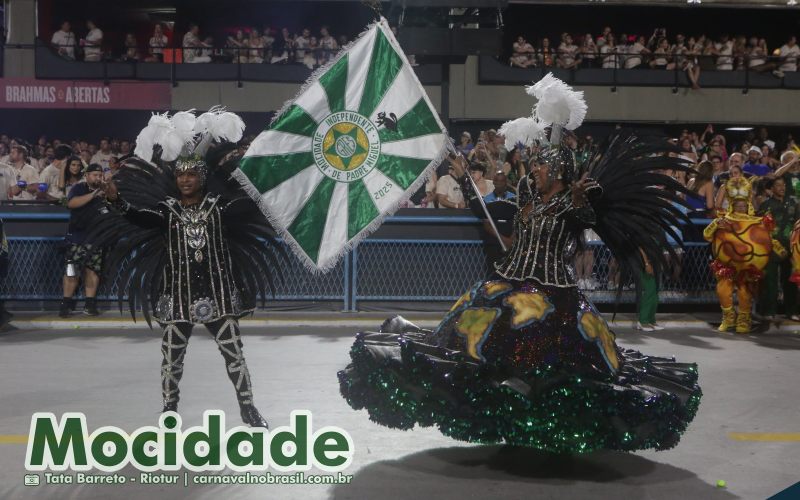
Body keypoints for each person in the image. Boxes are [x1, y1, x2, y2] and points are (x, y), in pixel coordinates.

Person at [338, 75, 701, 453]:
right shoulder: (529, 194)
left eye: (542, 166)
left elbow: (586, 216)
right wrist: (466, 184)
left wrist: (578, 198)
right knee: (469, 348)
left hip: (553, 296)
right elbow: (504, 229)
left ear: (559, 171)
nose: (534, 170)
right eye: (534, 164)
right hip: (504, 285)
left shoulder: (572, 203)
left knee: (543, 362)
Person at [91, 109, 282, 427]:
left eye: (192, 175)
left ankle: (248, 408)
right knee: (171, 360)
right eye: (181, 176)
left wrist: (271, 177)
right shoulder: (167, 212)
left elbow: (252, 202)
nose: (186, 180)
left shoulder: (219, 209)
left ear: (202, 177)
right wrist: (118, 202)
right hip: (179, 299)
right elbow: (139, 216)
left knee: (235, 355)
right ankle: (169, 410)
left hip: (218, 297)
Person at [704, 180, 785, 333]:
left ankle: (744, 319)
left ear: (748, 206)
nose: (741, 208)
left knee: (744, 292)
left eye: (743, 206)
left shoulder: (757, 222)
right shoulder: (723, 220)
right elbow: (707, 235)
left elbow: (766, 239)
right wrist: (715, 225)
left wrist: (776, 247)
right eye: (737, 206)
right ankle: (728, 317)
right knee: (723, 291)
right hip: (727, 264)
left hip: (748, 265)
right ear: (732, 206)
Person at [59, 164, 109, 317]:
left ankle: (90, 304)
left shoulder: (106, 191)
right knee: (71, 272)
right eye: (95, 174)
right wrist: (94, 194)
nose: (98, 177)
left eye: (100, 175)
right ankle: (66, 303)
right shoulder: (78, 188)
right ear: (87, 175)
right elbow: (71, 203)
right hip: (76, 237)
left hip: (96, 238)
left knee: (92, 271)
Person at [757, 177, 800, 321]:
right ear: (771, 188)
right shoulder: (765, 205)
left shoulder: (794, 203)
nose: (781, 187)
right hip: (772, 248)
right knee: (770, 281)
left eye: (783, 185)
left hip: (790, 247)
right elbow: (761, 227)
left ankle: (792, 311)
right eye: (778, 185)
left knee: (791, 281)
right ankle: (769, 311)